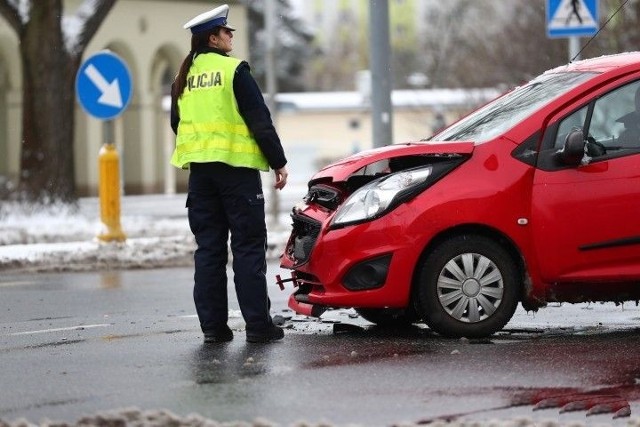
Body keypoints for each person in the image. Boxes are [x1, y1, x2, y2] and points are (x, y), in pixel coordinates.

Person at [170, 4, 288, 343]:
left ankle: (213, 329)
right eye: (226, 31)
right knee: (248, 248)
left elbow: (178, 125)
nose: (231, 35)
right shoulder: (234, 70)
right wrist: (278, 161)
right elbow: (259, 121)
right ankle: (258, 327)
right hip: (237, 175)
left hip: (201, 177)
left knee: (209, 251)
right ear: (213, 38)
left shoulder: (183, 78)